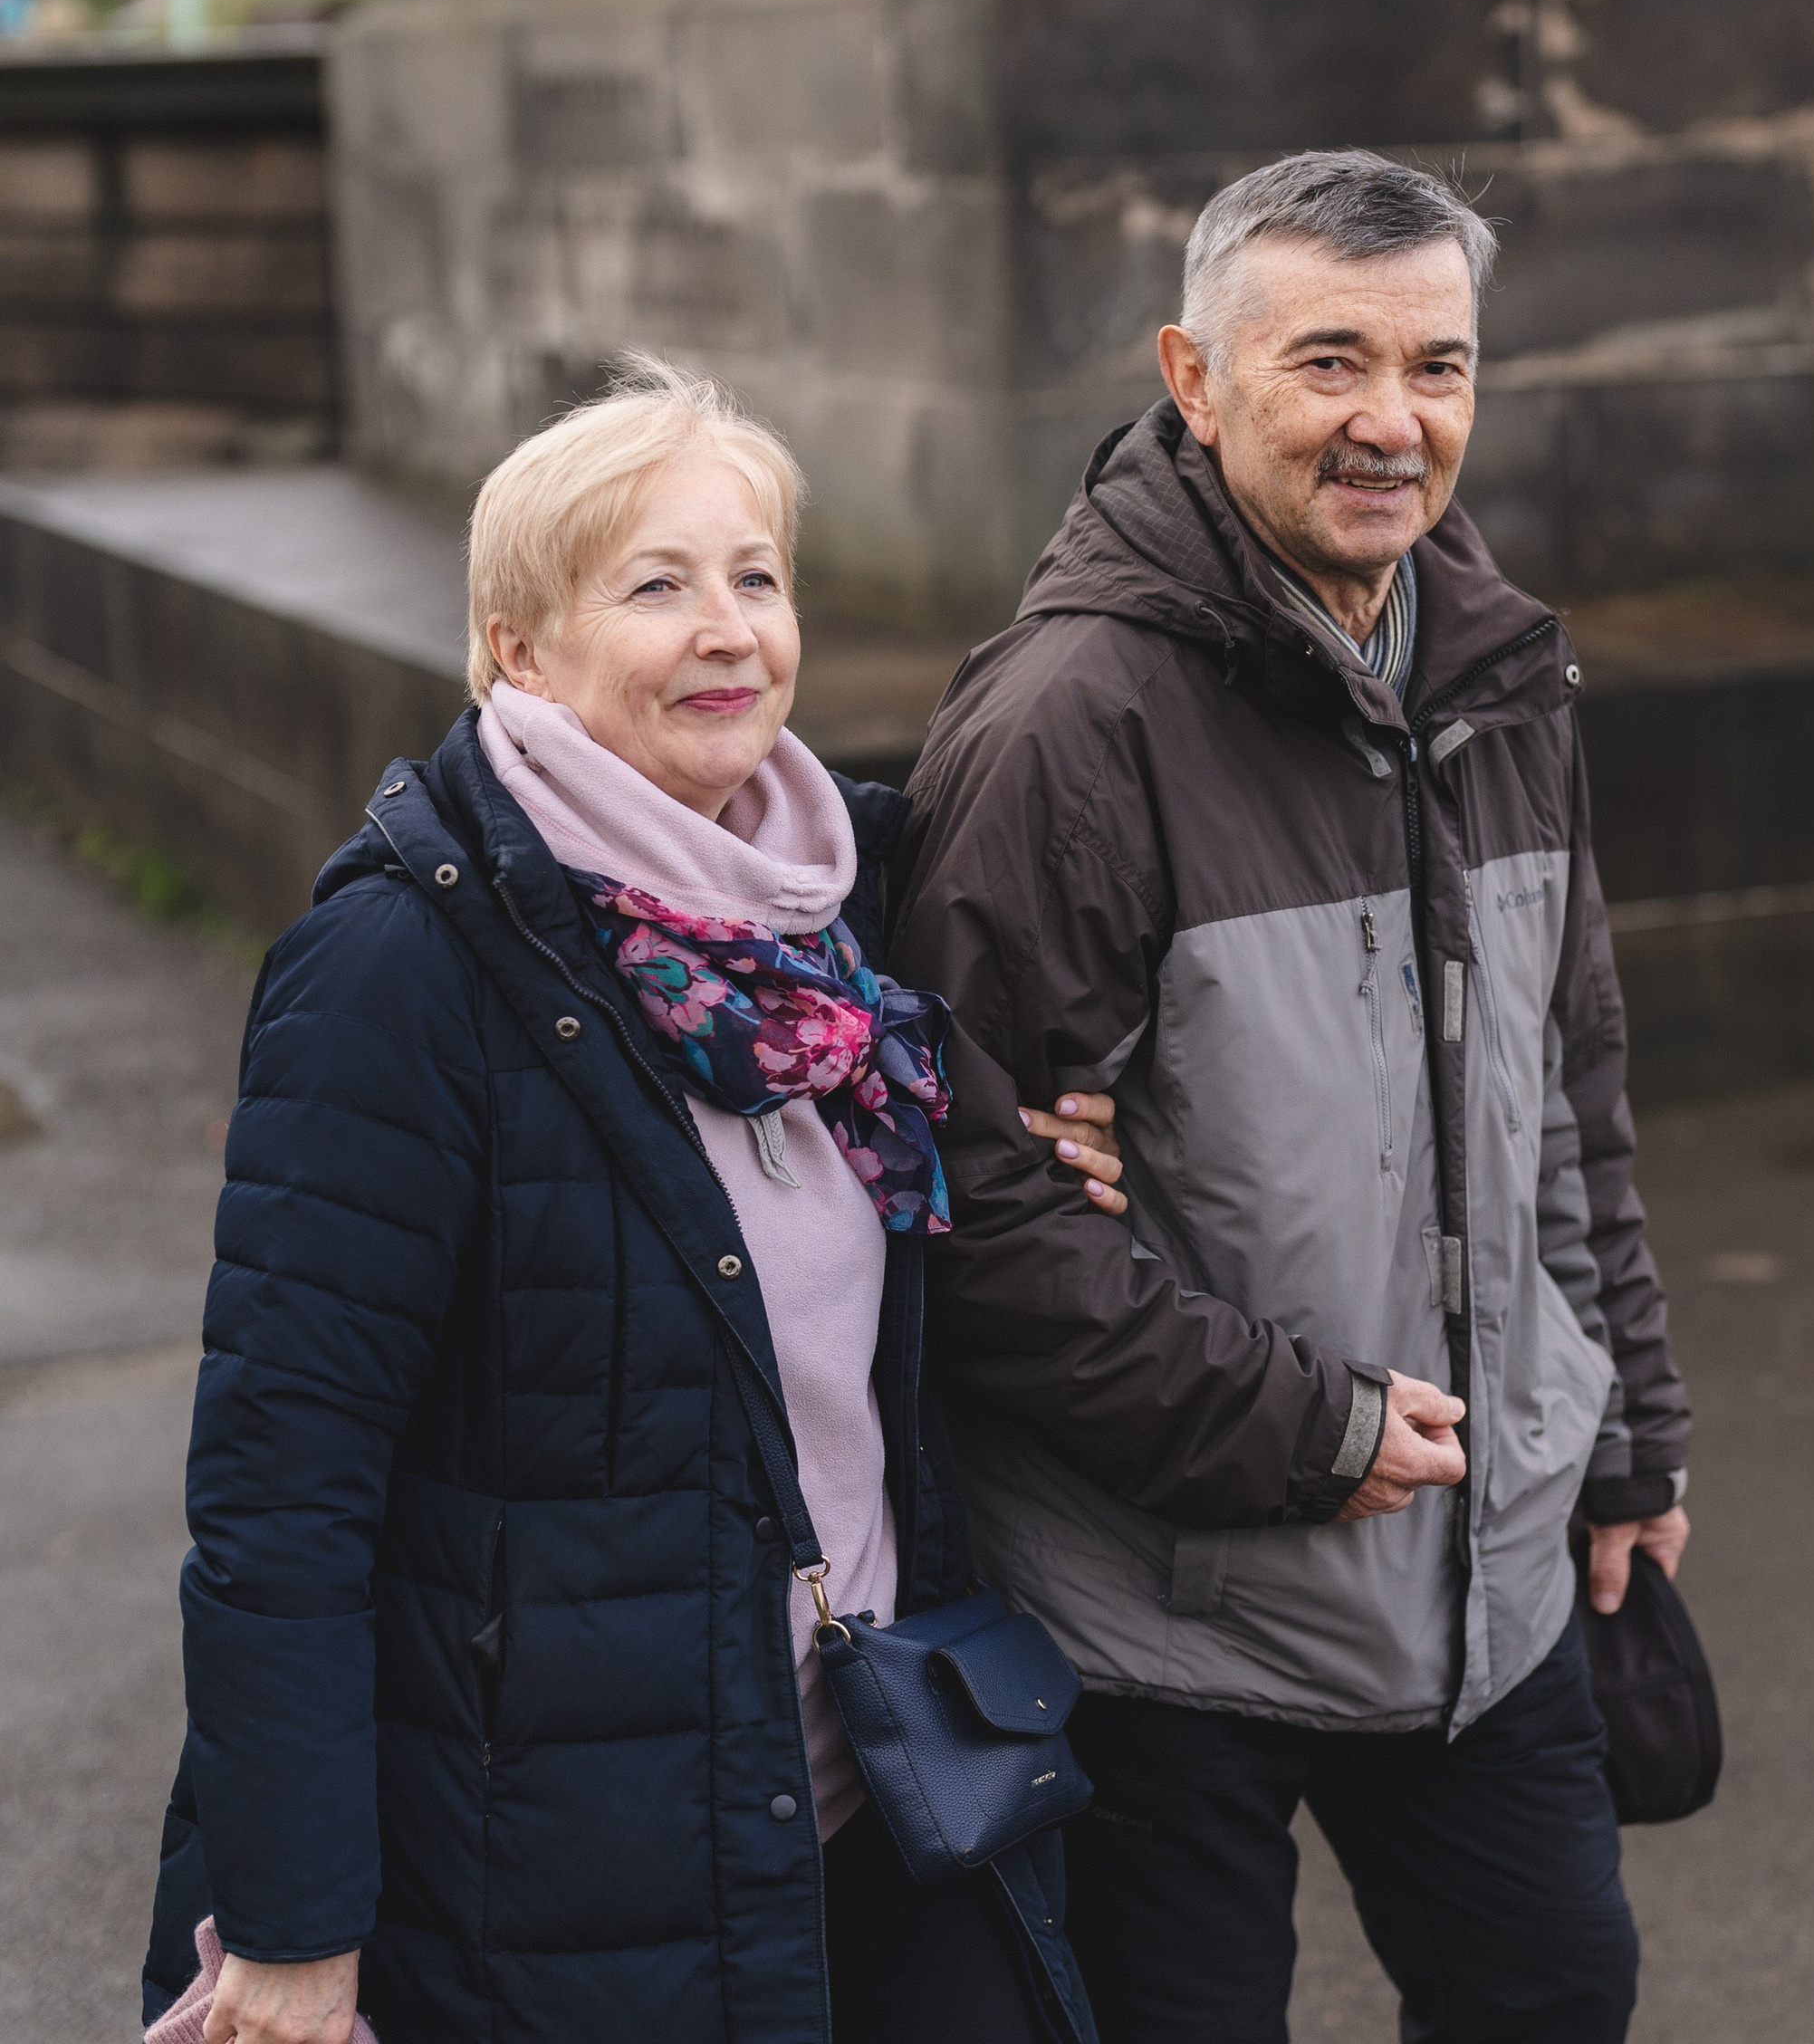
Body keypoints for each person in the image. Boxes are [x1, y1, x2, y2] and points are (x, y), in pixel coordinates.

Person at [139, 359, 1116, 2044]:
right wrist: (294, 1927)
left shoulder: (836, 922)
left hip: (871, 1787)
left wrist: (1044, 1148)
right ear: (518, 648)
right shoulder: (400, 970)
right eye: (657, 586)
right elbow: (282, 1492)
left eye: (757, 576)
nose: (729, 630)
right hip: (561, 1866)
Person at [888, 150, 1694, 2043]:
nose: (1390, 421)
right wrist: (1300, 1428)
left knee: (1554, 1994)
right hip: (1165, 1614)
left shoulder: (1500, 672)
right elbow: (965, 1203)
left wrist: (1627, 1432)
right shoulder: (1065, 723)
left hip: (1483, 1572)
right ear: (1192, 375)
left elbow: (1565, 1090)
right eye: (1328, 360)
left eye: (1437, 364)